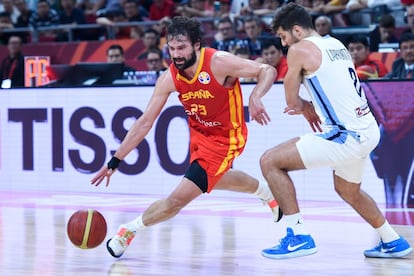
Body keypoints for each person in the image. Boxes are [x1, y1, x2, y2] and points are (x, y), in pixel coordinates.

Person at [91, 16, 281, 258]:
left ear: (196, 45)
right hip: (199, 137)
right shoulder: (169, 77)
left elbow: (267, 69)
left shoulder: (219, 63)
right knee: (216, 179)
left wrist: (255, 96)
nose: (176, 54)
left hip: (226, 139)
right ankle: (265, 192)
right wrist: (114, 161)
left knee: (176, 200)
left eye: (182, 48)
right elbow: (144, 123)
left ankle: (129, 230)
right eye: (172, 49)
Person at [249, 2, 412, 259]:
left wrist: (303, 106)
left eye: (282, 36)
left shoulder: (299, 50)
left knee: (269, 161)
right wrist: (311, 106)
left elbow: (290, 100)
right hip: (368, 130)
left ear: (297, 31)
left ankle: (299, 236)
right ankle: (392, 240)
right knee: (348, 190)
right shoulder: (335, 44)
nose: (282, 44)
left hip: (346, 136)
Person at [369, 33, 414, 207]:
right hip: (395, 128)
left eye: (412, 47)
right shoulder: (397, 66)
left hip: (411, 126)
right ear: (400, 51)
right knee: (382, 136)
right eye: (406, 48)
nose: (409, 51)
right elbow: (385, 88)